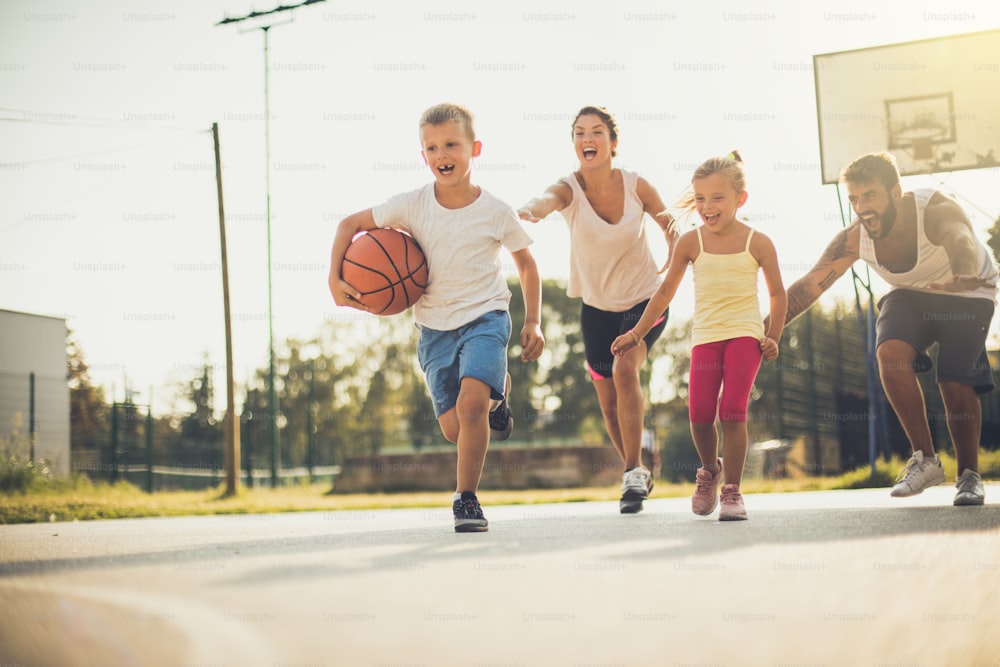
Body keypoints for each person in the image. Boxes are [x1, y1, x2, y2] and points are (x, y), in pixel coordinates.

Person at [328, 103, 545, 532]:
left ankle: (466, 499)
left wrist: (532, 321)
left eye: (451, 144)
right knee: (453, 428)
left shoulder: (496, 210)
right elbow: (348, 224)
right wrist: (335, 280)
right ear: (422, 156)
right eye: (432, 146)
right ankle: (498, 392)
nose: (442, 153)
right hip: (434, 328)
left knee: (470, 409)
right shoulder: (411, 205)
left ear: (474, 149)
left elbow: (527, 266)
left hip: (486, 317)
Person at [774, 151, 997, 506]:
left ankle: (969, 475)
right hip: (910, 294)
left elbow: (960, 240)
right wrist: (762, 329)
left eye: (870, 196)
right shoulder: (854, 239)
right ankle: (925, 459)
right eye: (854, 199)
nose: (861, 207)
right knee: (889, 352)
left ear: (896, 193)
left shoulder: (934, 208)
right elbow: (809, 287)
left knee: (953, 380)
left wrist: (962, 272)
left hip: (966, 289)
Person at [518, 106, 678, 514]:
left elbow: (670, 224)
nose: (587, 139)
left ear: (613, 142)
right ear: (575, 143)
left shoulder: (636, 185)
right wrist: (530, 210)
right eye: (579, 133)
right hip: (597, 309)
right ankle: (638, 460)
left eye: (597, 132)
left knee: (626, 367)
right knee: (607, 402)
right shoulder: (568, 188)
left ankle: (632, 473)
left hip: (644, 301)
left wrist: (675, 261)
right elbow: (547, 199)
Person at [611, 152, 787, 521]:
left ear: (741, 199)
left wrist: (773, 335)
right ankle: (710, 470)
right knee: (700, 414)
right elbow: (664, 293)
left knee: (732, 411)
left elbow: (777, 294)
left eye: (717, 198)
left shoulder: (759, 242)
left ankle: (732, 491)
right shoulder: (690, 242)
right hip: (706, 336)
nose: (707, 207)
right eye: (701, 198)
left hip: (745, 335)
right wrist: (637, 333)